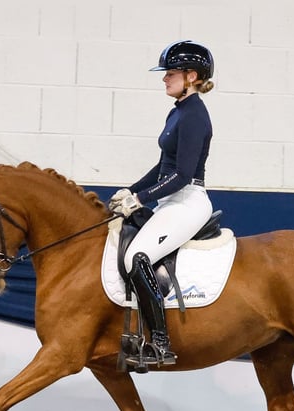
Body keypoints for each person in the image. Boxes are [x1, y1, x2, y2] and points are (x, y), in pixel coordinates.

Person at [108, 40, 216, 367]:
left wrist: (140, 198)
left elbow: (182, 174)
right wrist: (130, 191)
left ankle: (159, 343)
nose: (164, 79)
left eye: (170, 73)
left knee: (139, 257)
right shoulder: (178, 112)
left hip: (188, 200)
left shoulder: (195, 115)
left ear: (191, 75)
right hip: (171, 200)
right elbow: (162, 168)